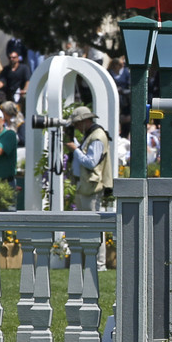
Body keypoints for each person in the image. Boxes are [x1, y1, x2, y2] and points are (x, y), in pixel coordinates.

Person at [66, 106, 113, 271]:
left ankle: (100, 264)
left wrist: (75, 150)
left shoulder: (98, 136)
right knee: (87, 225)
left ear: (86, 121)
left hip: (92, 186)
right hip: (86, 185)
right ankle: (91, 262)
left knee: (94, 226)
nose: (77, 127)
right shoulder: (91, 135)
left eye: (78, 123)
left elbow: (91, 162)